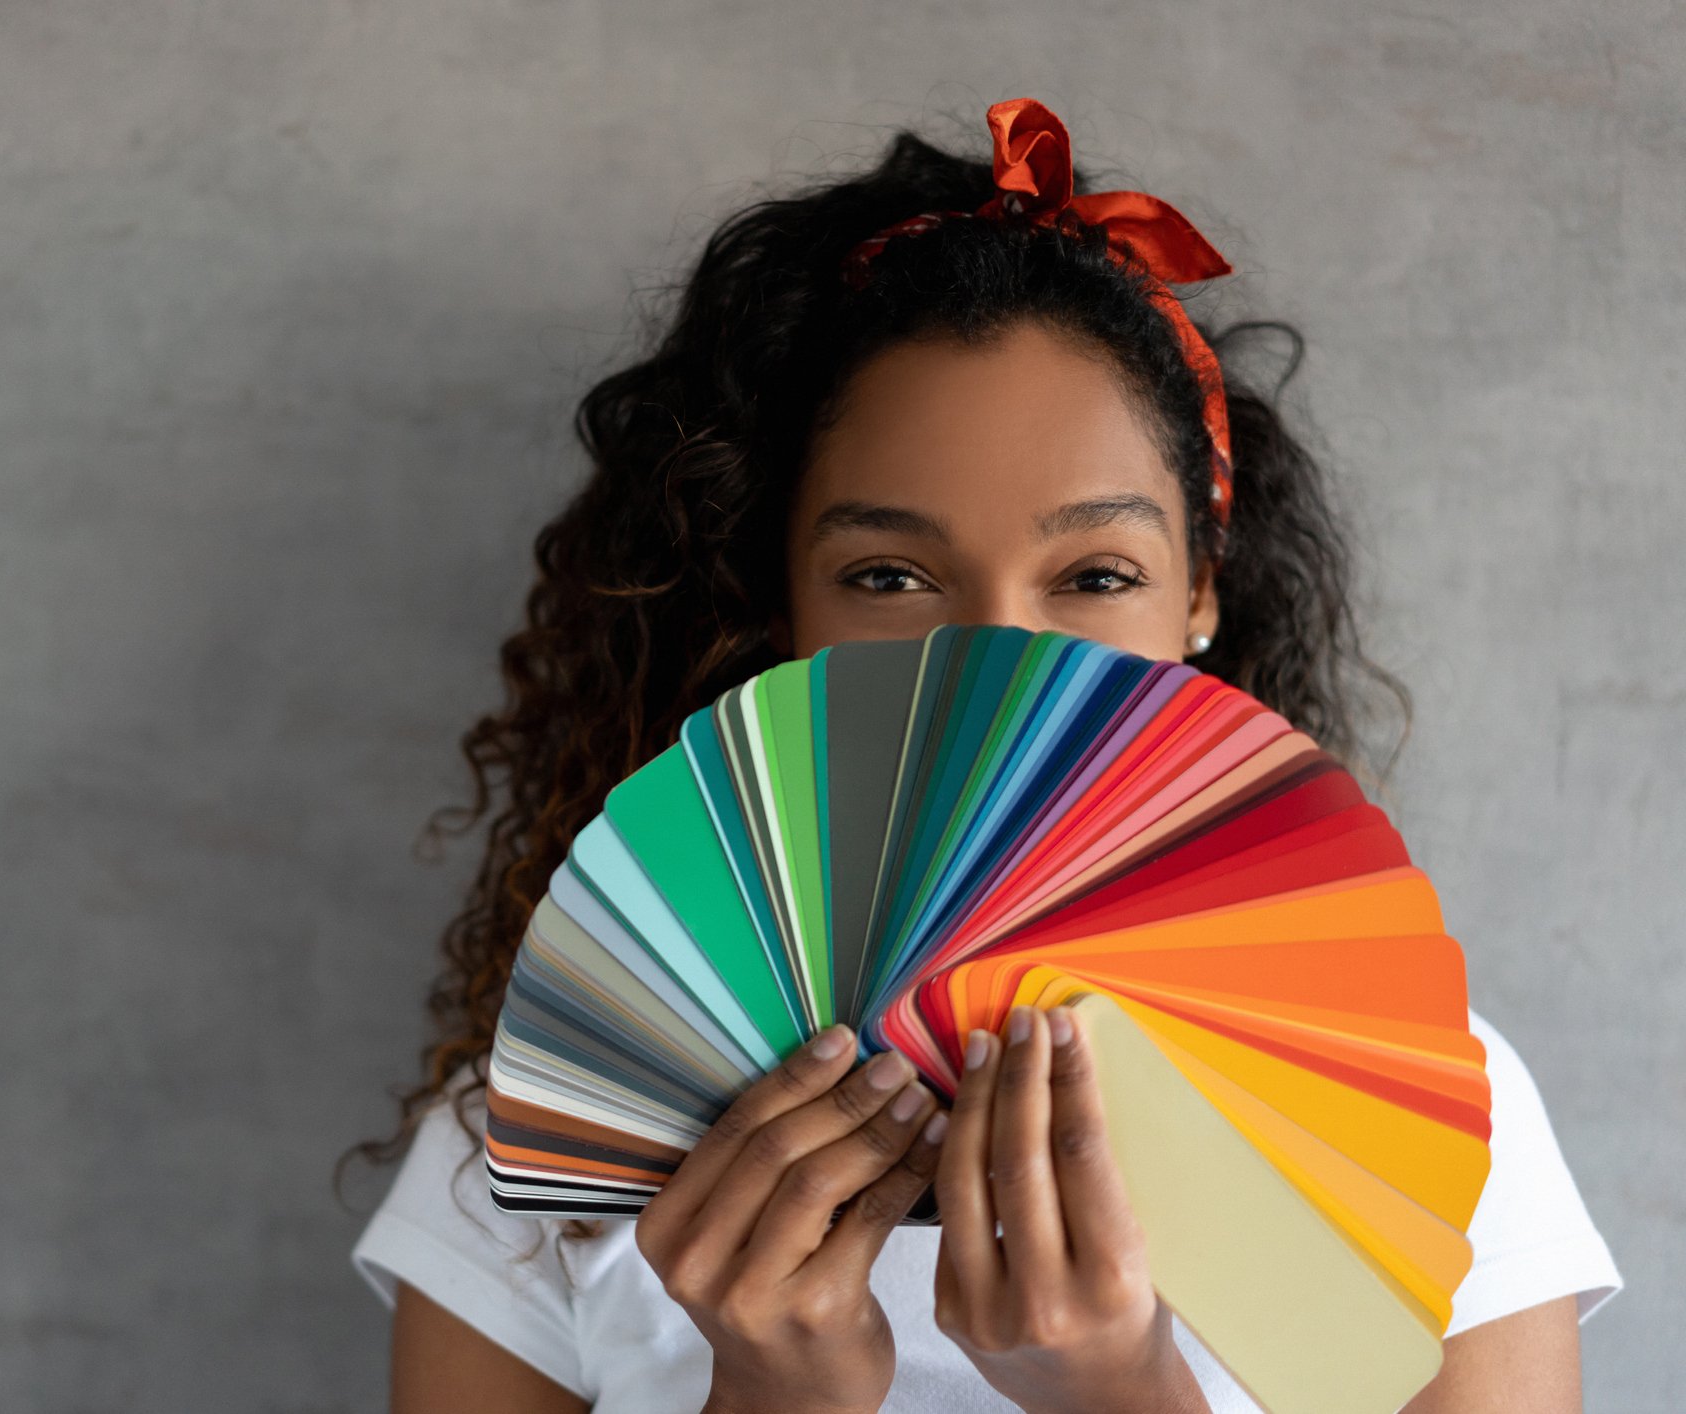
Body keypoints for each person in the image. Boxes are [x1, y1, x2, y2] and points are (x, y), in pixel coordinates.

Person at [344, 98, 1623, 1413]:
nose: (995, 656)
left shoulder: (1424, 1116)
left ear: (1201, 597)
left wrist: (1124, 1393)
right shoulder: (529, 1158)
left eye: (1097, 572)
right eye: (890, 572)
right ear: (780, 607)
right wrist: (774, 1396)